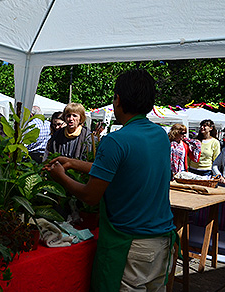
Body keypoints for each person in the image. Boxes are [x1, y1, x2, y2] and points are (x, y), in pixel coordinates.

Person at [45, 69, 176, 291]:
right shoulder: (160, 135)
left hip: (132, 246)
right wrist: (74, 162)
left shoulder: (115, 140)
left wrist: (61, 176)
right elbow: (123, 170)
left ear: (118, 100)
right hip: (162, 242)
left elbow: (91, 195)